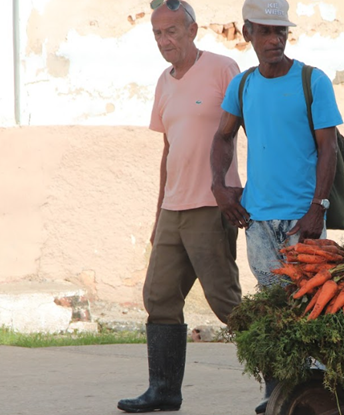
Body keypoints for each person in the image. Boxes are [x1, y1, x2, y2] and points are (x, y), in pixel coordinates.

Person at [209, 0, 343, 411]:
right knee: (274, 312)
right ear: (247, 32)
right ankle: (279, 395)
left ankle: (316, 395)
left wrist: (318, 207)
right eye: (265, 31)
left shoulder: (312, 80)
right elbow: (223, 137)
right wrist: (220, 187)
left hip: (302, 219)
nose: (274, 40)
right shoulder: (243, 84)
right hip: (256, 218)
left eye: (280, 31)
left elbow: (329, 147)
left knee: (308, 306)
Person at [117, 1, 242, 412]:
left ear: (192, 30)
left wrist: (240, 192)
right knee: (159, 295)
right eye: (157, 34)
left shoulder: (224, 69)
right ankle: (164, 390)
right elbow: (168, 150)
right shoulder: (163, 83)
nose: (164, 41)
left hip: (212, 202)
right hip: (173, 208)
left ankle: (280, 381)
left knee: (226, 301)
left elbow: (250, 130)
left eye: (171, 31)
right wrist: (157, 214)